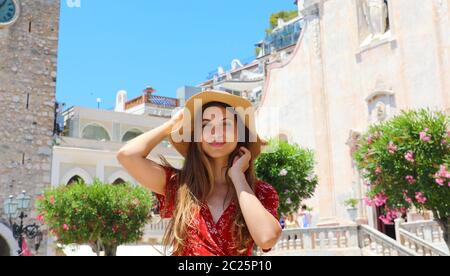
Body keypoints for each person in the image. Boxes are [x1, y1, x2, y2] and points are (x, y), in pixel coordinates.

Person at [117, 91, 281, 256]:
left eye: (226, 124)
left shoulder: (260, 192)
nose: (215, 132)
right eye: (205, 125)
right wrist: (172, 124)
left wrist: (238, 177)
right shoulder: (180, 186)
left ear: (240, 134)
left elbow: (267, 238)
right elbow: (127, 156)